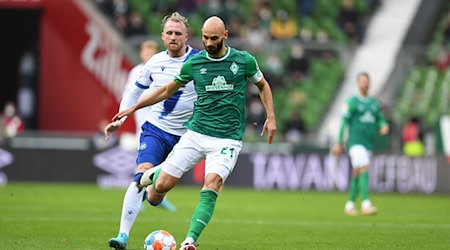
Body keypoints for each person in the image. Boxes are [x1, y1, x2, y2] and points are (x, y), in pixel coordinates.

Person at [107, 16, 277, 250]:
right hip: (195, 134)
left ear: (225, 36)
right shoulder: (194, 63)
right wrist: (132, 109)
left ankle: (189, 241)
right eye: (205, 38)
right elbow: (166, 90)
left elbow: (262, 85)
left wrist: (270, 116)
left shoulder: (243, 60)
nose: (208, 43)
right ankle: (153, 177)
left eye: (214, 38)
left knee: (212, 184)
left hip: (227, 139)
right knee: (157, 193)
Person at [104, 12, 199, 250]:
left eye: (178, 33)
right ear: (163, 36)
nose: (173, 37)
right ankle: (122, 236)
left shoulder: (199, 61)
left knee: (157, 195)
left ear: (187, 36)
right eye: (169, 33)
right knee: (140, 177)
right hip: (156, 130)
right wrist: (120, 117)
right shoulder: (155, 62)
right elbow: (135, 92)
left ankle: (156, 194)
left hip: (186, 137)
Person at [332, 72, 389, 216]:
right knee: (364, 167)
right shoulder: (352, 102)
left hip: (368, 143)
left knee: (357, 174)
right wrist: (339, 143)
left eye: (367, 81)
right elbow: (344, 123)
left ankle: (350, 206)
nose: (365, 83)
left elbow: (380, 119)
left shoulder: (374, 103)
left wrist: (383, 125)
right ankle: (365, 204)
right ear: (358, 84)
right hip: (355, 143)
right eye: (362, 81)